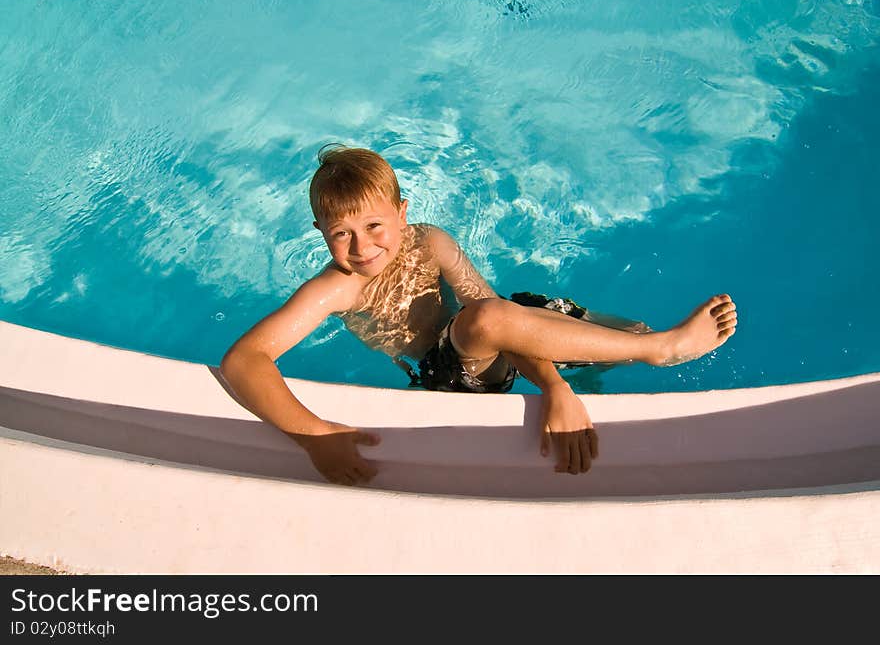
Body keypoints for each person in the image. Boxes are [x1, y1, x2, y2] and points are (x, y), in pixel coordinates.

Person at [220, 145, 737, 485]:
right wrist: (313, 436)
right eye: (341, 234)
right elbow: (244, 360)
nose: (362, 246)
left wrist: (556, 389)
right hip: (447, 375)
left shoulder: (433, 243)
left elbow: (500, 316)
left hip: (487, 339)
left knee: (607, 330)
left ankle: (628, 351)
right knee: (489, 319)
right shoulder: (336, 289)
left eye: (375, 225)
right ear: (320, 231)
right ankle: (661, 350)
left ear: (402, 211)